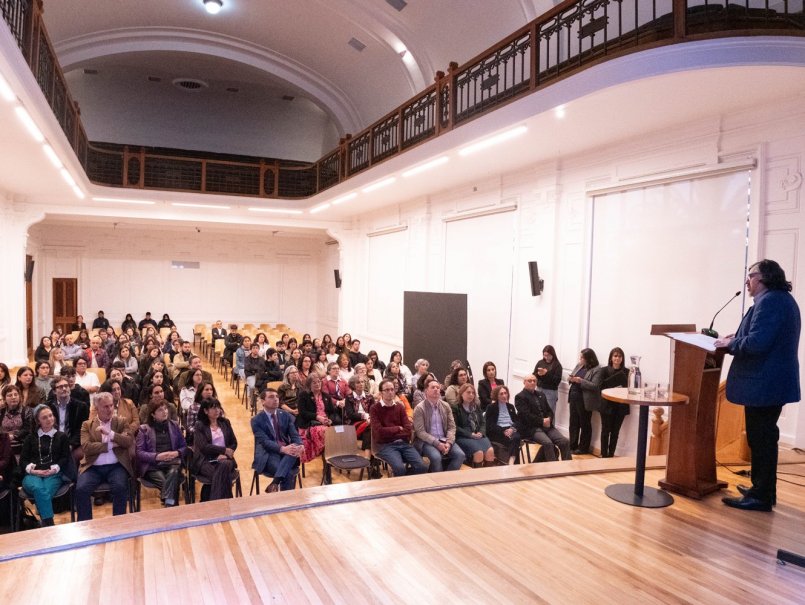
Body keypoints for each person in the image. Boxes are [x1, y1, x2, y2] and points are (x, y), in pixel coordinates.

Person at [715, 260, 800, 512]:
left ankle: (760, 496)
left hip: (765, 384)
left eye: (750, 275)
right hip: (769, 383)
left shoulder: (771, 301)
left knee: (761, 439)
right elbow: (759, 337)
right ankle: (762, 489)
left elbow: (758, 343)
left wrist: (728, 345)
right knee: (762, 438)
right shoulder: (778, 299)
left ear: (764, 278)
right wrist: (735, 338)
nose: (747, 281)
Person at [75, 392, 134, 521]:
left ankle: (118, 523)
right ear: (97, 409)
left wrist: (111, 434)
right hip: (93, 467)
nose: (110, 409)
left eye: (111, 405)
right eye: (105, 407)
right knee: (81, 489)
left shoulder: (121, 421)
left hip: (116, 466)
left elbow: (128, 441)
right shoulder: (87, 425)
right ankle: (85, 526)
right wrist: (110, 445)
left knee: (120, 487)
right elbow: (87, 447)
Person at [20, 404, 73, 527]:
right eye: (44, 417)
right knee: (39, 490)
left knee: (44, 493)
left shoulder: (61, 437)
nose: (49, 419)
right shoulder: (30, 438)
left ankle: (45, 524)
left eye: (50, 416)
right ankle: (49, 524)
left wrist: (54, 469)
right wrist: (34, 471)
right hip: (32, 475)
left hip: (53, 474)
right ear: (38, 421)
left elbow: (65, 458)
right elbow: (23, 460)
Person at [370, 378, 427, 477]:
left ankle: (405, 483)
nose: (390, 392)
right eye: (387, 390)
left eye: (392, 389)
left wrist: (391, 432)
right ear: (381, 393)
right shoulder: (375, 408)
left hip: (403, 443)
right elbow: (379, 432)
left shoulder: (399, 407)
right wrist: (398, 428)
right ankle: (398, 487)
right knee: (400, 469)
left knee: (422, 467)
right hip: (384, 445)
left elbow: (408, 429)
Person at [252, 388, 304, 492]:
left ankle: (275, 483)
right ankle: (286, 504)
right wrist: (283, 449)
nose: (276, 399)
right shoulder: (256, 420)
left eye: (277, 397)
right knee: (288, 473)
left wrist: (300, 445)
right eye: (271, 397)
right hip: (269, 454)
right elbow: (265, 443)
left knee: (293, 450)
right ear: (262, 401)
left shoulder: (285, 415)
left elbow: (294, 435)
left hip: (288, 452)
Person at [135, 400, 186, 507]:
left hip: (172, 463)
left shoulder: (174, 426)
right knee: (169, 483)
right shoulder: (144, 429)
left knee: (174, 472)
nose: (165, 412)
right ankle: (171, 507)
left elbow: (184, 447)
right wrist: (157, 456)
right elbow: (139, 453)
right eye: (160, 410)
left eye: (166, 409)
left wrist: (176, 453)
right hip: (153, 466)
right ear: (153, 414)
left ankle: (168, 506)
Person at [412, 378, 465, 472]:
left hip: (445, 439)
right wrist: (437, 443)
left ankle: (447, 480)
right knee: (436, 458)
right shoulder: (419, 408)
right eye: (433, 387)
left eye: (437, 387)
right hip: (427, 441)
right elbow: (420, 432)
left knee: (460, 455)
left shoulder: (446, 406)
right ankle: (438, 483)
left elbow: (452, 427)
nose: (436, 389)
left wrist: (449, 442)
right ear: (426, 391)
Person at [515, 375, 571, 462]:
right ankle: (552, 469)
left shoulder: (541, 394)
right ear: (524, 382)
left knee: (565, 441)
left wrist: (549, 418)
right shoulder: (520, 397)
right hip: (532, 428)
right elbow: (526, 416)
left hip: (546, 426)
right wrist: (542, 421)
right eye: (530, 381)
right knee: (548, 443)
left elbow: (549, 411)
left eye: (534, 381)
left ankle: (567, 466)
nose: (533, 383)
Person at [191, 398, 237, 501]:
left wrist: (225, 455)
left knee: (225, 465)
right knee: (222, 476)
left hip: (226, 459)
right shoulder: (200, 425)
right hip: (206, 460)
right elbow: (204, 447)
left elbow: (233, 442)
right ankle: (226, 503)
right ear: (205, 411)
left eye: (218, 407)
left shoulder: (225, 422)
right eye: (213, 408)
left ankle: (208, 502)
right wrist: (223, 450)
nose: (217, 410)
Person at [47, 374, 90, 465]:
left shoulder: (81, 406)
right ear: (54, 391)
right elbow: (46, 428)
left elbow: (81, 430)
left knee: (76, 456)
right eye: (60, 387)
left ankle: (71, 478)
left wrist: (70, 445)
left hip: (74, 443)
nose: (64, 389)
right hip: (54, 442)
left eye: (66, 386)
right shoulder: (48, 407)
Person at [567, 348, 602, 455]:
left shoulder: (597, 369)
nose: (580, 359)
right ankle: (572, 445)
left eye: (582, 357)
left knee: (584, 423)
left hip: (584, 399)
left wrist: (580, 381)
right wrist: (570, 378)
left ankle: (583, 448)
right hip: (573, 396)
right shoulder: (579, 365)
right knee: (573, 422)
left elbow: (595, 386)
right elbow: (571, 376)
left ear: (589, 359)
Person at [297, 374, 339, 462]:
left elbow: (332, 412)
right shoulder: (304, 395)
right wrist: (317, 417)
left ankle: (330, 462)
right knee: (326, 432)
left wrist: (330, 419)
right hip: (310, 423)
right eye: (314, 382)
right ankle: (328, 463)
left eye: (319, 382)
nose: (317, 384)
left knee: (340, 431)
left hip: (326, 423)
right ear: (309, 384)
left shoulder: (326, 396)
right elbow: (302, 412)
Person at [452, 383, 495, 467]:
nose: (471, 395)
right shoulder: (455, 408)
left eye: (473, 393)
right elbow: (455, 427)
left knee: (490, 451)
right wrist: (470, 434)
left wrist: (481, 432)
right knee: (478, 453)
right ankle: (478, 477)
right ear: (461, 394)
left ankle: (488, 477)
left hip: (478, 435)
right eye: (468, 392)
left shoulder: (476, 406)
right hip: (464, 436)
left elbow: (483, 422)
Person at [599, 347, 630, 458]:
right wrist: (614, 387)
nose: (617, 358)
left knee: (615, 432)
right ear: (611, 358)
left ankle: (611, 455)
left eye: (620, 356)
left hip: (620, 406)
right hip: (607, 405)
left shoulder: (627, 372)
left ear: (622, 358)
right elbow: (600, 387)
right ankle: (603, 454)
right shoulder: (604, 370)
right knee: (605, 430)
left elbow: (629, 389)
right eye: (615, 356)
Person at [485, 385, 520, 465]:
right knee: (515, 439)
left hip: (511, 429)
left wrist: (512, 429)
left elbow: (517, 421)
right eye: (501, 394)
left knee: (516, 437)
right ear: (496, 396)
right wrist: (503, 431)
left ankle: (511, 461)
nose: (504, 396)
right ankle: (512, 462)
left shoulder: (510, 406)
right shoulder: (491, 407)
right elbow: (489, 425)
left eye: (505, 393)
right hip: (498, 431)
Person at [344, 374, 375, 450]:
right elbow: (350, 415)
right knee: (370, 427)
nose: (361, 384)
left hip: (368, 422)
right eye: (358, 382)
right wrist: (364, 416)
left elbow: (373, 412)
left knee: (370, 428)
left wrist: (369, 418)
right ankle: (368, 453)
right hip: (353, 423)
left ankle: (367, 452)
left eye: (362, 382)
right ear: (353, 385)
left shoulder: (370, 397)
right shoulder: (349, 397)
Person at [0, 384, 34, 453]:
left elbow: (28, 429)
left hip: (22, 447)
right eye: (10, 395)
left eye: (16, 394)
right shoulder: (1, 411)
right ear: (5, 399)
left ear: (20, 396)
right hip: (3, 447)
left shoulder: (27, 411)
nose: (13, 397)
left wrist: (13, 436)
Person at [534, 345, 562, 414]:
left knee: (549, 412)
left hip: (550, 391)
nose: (546, 357)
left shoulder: (557, 365)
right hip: (539, 389)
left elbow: (557, 381)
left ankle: (550, 425)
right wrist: (538, 374)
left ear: (552, 354)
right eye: (544, 355)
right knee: (538, 411)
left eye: (548, 355)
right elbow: (534, 375)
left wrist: (546, 373)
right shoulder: (540, 362)